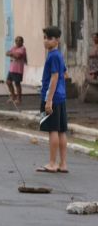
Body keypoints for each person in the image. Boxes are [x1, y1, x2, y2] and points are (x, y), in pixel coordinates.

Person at [36, 26, 68, 173]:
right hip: (60, 97)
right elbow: (65, 74)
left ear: (56, 41)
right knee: (61, 130)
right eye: (45, 38)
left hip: (52, 97)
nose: (45, 41)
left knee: (53, 130)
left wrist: (49, 100)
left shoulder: (53, 56)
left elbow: (55, 77)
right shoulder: (59, 55)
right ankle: (63, 164)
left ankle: (52, 163)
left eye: (49, 38)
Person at [5, 36, 27, 104]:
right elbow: (7, 53)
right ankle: (13, 96)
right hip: (12, 69)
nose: (18, 42)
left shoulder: (22, 48)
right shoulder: (14, 48)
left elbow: (18, 56)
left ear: (22, 42)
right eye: (16, 40)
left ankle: (19, 99)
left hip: (18, 69)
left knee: (17, 84)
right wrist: (12, 54)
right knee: (8, 82)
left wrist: (11, 53)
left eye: (19, 40)